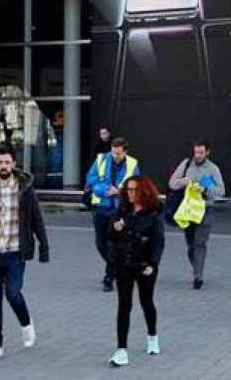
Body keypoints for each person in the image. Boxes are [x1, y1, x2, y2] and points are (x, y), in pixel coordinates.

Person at [0, 143, 50, 362]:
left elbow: (37, 219)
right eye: (0, 162)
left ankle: (26, 324)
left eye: (7, 162)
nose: (4, 165)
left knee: (13, 293)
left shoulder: (25, 187)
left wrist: (44, 247)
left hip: (15, 252)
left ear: (14, 163)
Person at [108, 175, 165, 367]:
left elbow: (158, 242)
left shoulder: (153, 214)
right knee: (124, 305)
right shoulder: (123, 210)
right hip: (124, 264)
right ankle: (121, 349)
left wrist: (153, 264)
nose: (130, 193)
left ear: (143, 191)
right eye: (128, 190)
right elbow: (111, 236)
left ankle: (152, 336)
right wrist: (116, 228)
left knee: (146, 301)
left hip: (144, 265)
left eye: (134, 190)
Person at [168, 140, 224, 290]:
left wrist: (205, 190)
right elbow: (172, 183)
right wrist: (184, 182)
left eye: (201, 153)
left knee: (200, 243)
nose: (197, 156)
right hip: (188, 210)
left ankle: (198, 276)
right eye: (196, 152)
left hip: (205, 211)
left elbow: (220, 192)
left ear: (207, 152)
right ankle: (196, 266)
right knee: (191, 244)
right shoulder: (186, 164)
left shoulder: (213, 169)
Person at [86, 137, 140, 291]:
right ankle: (119, 267)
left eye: (118, 154)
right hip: (100, 208)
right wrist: (101, 186)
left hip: (119, 209)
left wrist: (119, 191)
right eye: (113, 152)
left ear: (125, 152)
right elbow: (90, 178)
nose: (115, 156)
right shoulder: (101, 159)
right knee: (100, 243)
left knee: (114, 244)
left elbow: (136, 187)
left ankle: (109, 278)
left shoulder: (132, 164)